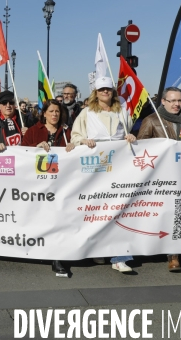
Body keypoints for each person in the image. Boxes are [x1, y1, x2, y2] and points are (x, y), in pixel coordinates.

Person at [71, 76, 136, 273]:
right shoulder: (87, 112)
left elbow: (129, 132)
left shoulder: (122, 111)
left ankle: (120, 256)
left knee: (119, 209)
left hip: (118, 167)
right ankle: (97, 249)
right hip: (95, 169)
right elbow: (75, 136)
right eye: (101, 90)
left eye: (108, 89)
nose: (105, 92)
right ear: (96, 93)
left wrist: (130, 137)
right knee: (96, 209)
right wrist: (84, 141)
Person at [137, 86, 181, 272]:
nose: (177, 104)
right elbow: (140, 150)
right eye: (173, 101)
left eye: (179, 101)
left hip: (179, 176)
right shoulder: (151, 121)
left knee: (175, 215)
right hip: (158, 179)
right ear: (163, 102)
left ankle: (173, 255)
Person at [22, 99, 75, 277]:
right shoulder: (33, 131)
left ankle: (57, 257)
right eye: (51, 111)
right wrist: (34, 149)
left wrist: (75, 147)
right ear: (44, 113)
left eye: (57, 112)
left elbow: (78, 152)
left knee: (58, 220)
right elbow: (22, 154)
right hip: (39, 184)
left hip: (62, 184)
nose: (54, 114)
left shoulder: (68, 131)